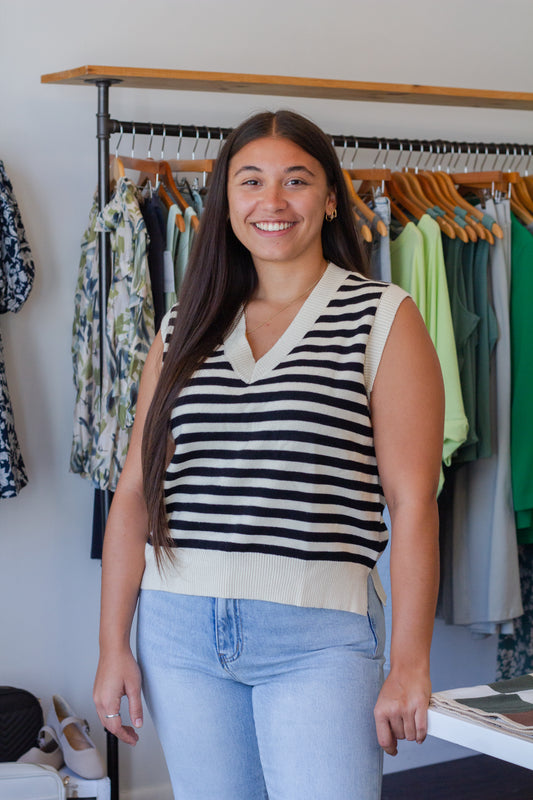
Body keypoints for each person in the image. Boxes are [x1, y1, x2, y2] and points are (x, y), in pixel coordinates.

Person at [93, 109, 444, 800]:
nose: (272, 201)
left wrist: (408, 662)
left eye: (296, 180)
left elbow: (412, 504)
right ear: (225, 200)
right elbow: (134, 491)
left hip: (318, 637)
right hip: (177, 629)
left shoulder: (381, 316)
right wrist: (113, 646)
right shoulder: (180, 325)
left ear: (331, 197)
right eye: (250, 181)